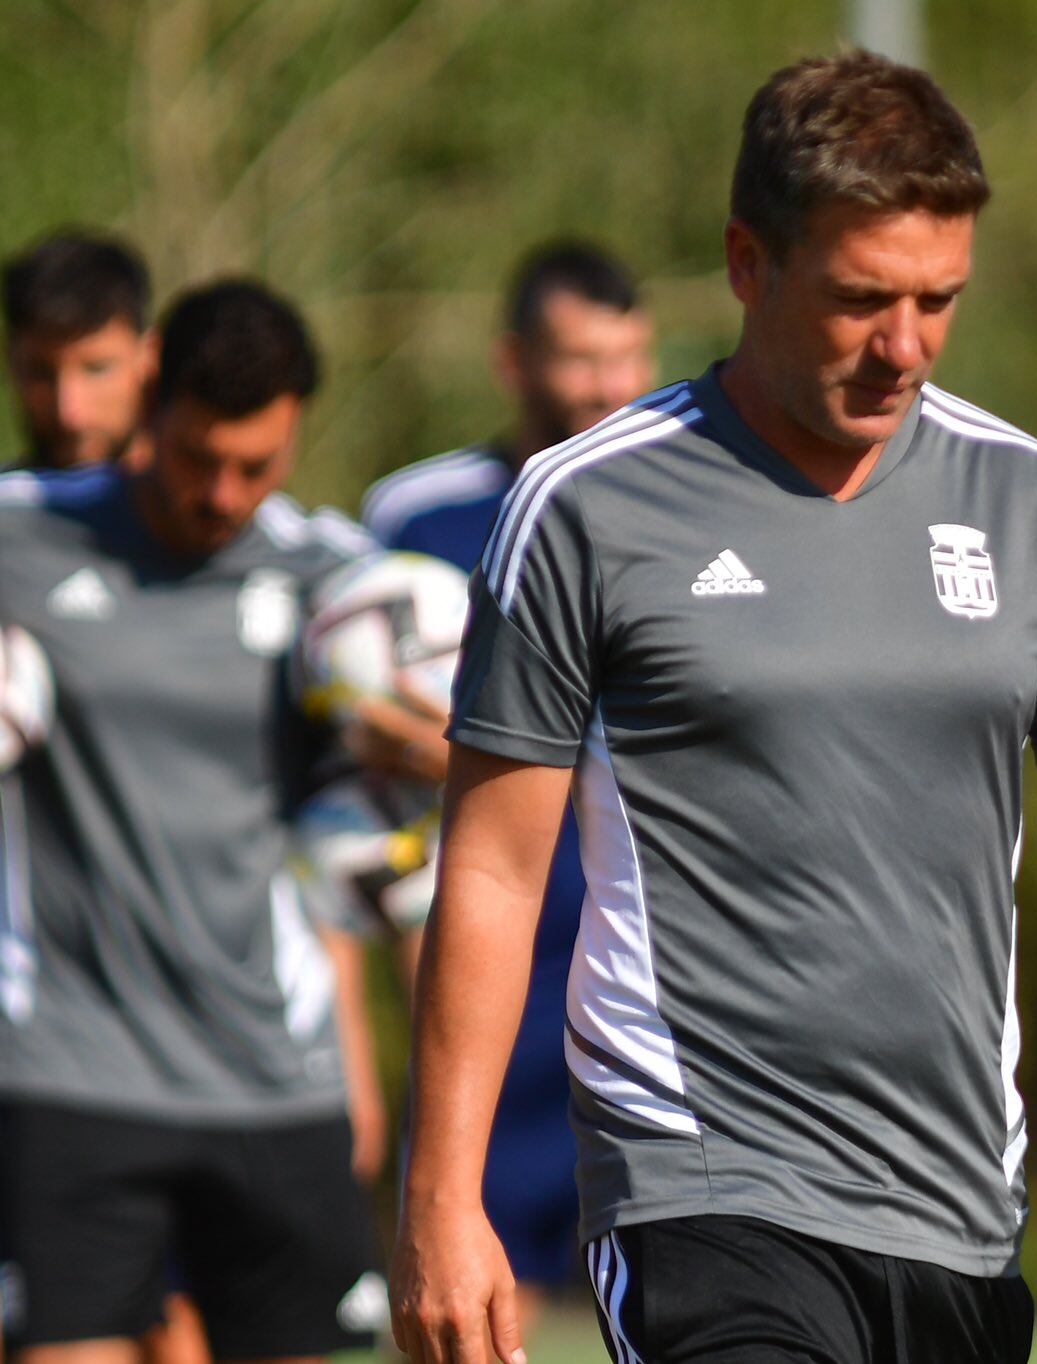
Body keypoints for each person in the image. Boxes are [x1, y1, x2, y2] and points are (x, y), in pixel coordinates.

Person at [391, 50, 1037, 1364]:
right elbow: (490, 872)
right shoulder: (587, 507)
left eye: (939, 301)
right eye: (860, 301)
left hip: (955, 1208)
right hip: (699, 1185)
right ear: (746, 262)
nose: (905, 347)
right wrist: (444, 1200)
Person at [0, 280, 389, 1364]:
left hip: (273, 1074)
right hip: (71, 1067)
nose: (222, 492)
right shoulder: (22, 536)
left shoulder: (340, 584)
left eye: (256, 466)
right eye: (196, 456)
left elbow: (372, 825)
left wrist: (428, 754)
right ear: (152, 399)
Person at [355, 241, 657, 1324]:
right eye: (578, 358)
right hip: (488, 962)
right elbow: (360, 724)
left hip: (645, 963)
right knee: (466, 1295)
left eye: (624, 357)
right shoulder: (414, 519)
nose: (605, 387)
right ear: (513, 361)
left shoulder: (682, 506)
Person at [2, 230, 155, 471]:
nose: (69, 414)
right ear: (11, 362)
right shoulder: (8, 502)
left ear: (149, 358)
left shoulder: (216, 501)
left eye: (97, 369)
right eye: (41, 374)